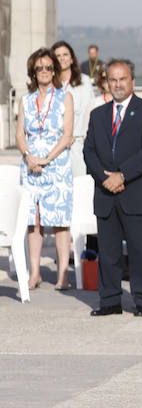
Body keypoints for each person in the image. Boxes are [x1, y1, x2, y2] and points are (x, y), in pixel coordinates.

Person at [83, 60, 142, 317]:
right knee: (108, 252)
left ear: (132, 81)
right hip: (105, 193)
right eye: (113, 80)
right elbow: (89, 151)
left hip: (134, 192)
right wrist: (105, 178)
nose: (118, 84)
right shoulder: (98, 114)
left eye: (123, 79)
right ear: (106, 82)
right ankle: (109, 301)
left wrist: (122, 175)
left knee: (140, 251)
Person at [16, 48, 75, 290]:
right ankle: (35, 272)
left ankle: (63, 274)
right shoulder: (26, 100)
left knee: (59, 220)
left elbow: (67, 135)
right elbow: (20, 134)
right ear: (33, 71)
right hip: (30, 166)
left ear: (55, 71)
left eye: (48, 67)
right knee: (34, 220)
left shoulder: (65, 97)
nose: (44, 72)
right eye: (39, 68)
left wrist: (46, 159)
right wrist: (29, 157)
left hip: (57, 164)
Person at [51, 41, 97, 179]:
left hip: (77, 144)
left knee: (79, 188)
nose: (62, 58)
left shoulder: (84, 81)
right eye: (58, 56)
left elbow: (91, 111)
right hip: (55, 145)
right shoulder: (50, 83)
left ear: (72, 58)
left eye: (65, 55)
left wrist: (85, 137)